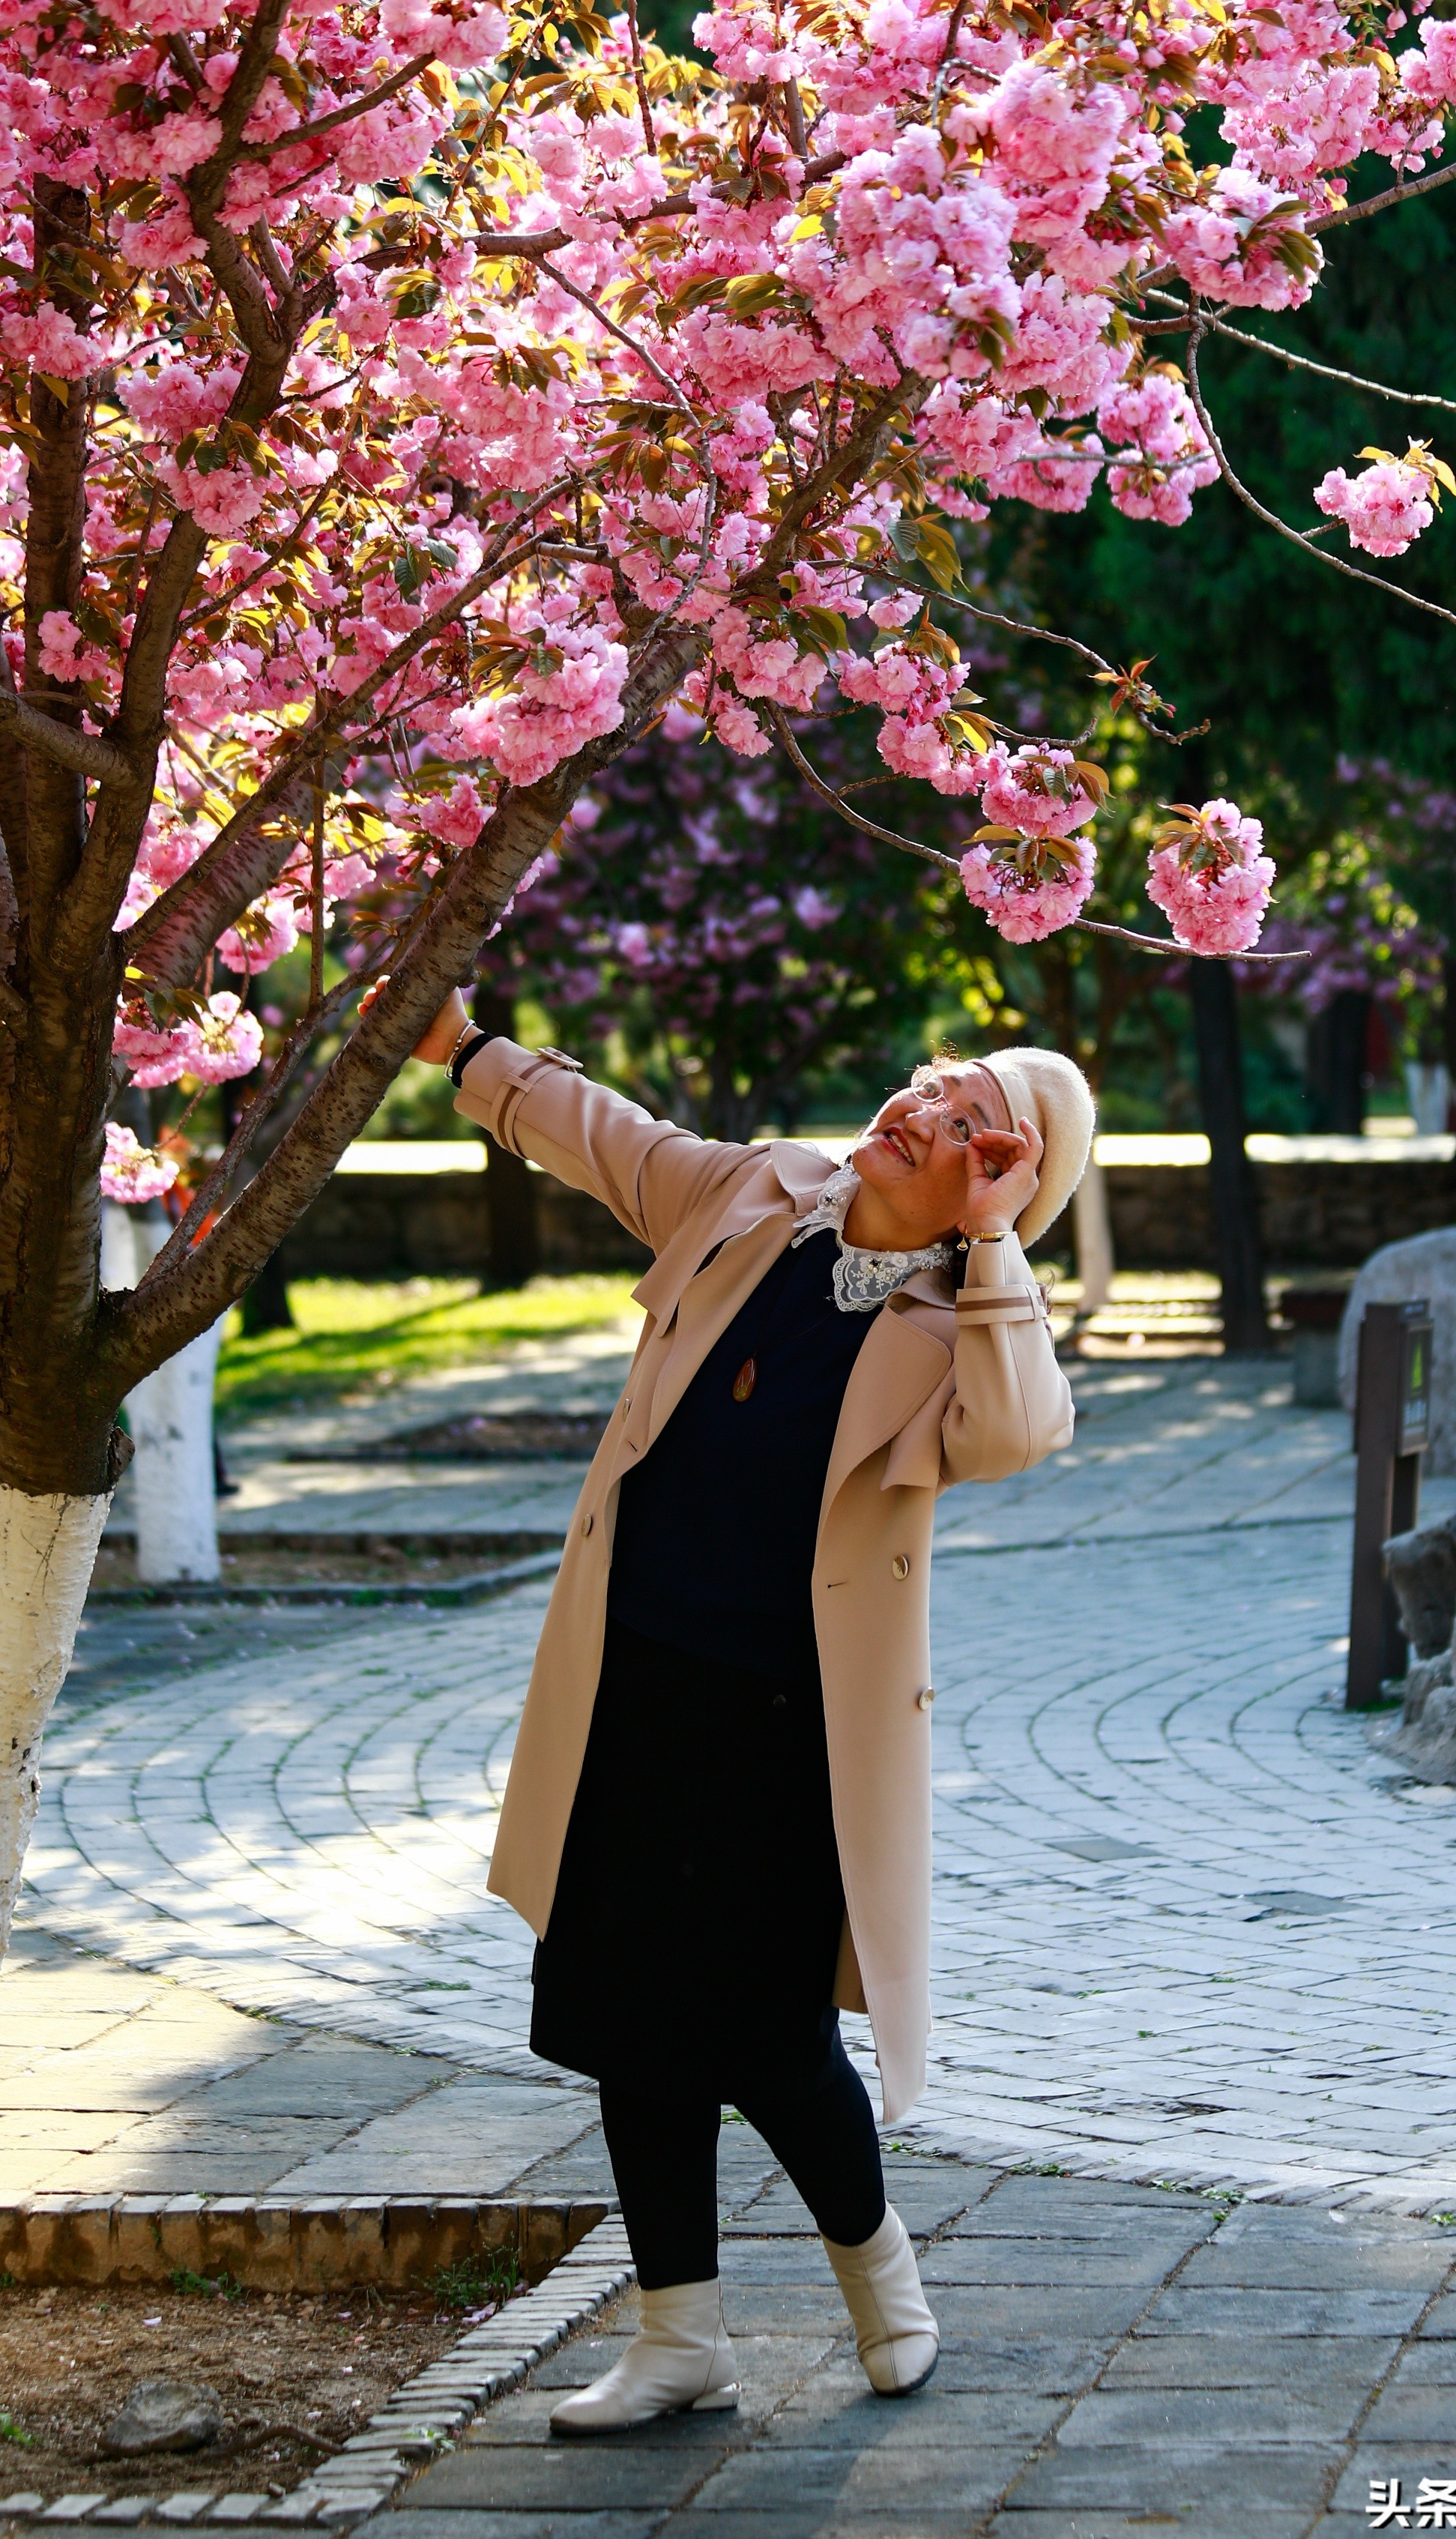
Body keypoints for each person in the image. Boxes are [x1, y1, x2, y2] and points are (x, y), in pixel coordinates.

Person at [406, 994, 1093, 2430]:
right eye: (927, 1082)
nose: (918, 1111)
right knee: (620, 2014)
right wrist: (466, 1051)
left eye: (968, 1122)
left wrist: (992, 1241)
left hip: (792, 1721)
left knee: (771, 2031)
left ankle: (879, 2275)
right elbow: (611, 1140)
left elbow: (1021, 1433)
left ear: (1002, 1176)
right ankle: (677, 2336)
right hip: (629, 1674)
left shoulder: (955, 1324)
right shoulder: (761, 1190)